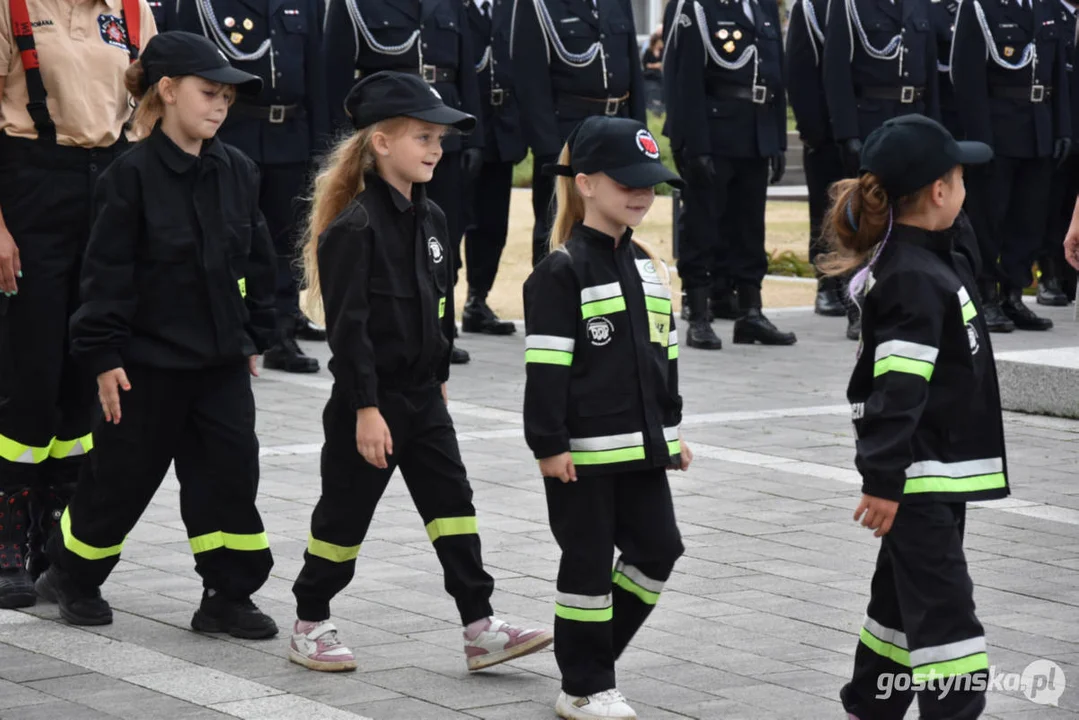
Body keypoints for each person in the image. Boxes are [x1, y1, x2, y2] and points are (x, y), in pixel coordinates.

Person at [288, 71, 553, 673]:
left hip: (422, 399)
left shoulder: (432, 218)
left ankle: (481, 627)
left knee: (453, 507)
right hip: (372, 404)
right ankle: (309, 620)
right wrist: (365, 408)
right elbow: (348, 332)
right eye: (424, 137)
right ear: (381, 142)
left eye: (440, 139)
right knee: (343, 520)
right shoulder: (353, 227)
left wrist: (438, 378)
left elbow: (438, 303)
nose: (436, 149)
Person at [36, 32, 278, 638]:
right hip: (143, 366)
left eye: (227, 97)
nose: (220, 106)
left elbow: (256, 262)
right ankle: (73, 575)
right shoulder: (129, 177)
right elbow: (105, 275)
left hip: (219, 363)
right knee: (120, 479)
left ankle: (226, 594)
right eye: (208, 93)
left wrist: (254, 336)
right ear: (167, 92)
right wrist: (102, 355)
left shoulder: (239, 170)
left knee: (229, 476)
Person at [820, 114, 1007, 720]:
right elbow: (895, 391)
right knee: (948, 618)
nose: (965, 188)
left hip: (933, 475)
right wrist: (882, 479)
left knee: (898, 608)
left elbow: (963, 238)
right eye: (959, 178)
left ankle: (868, 707)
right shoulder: (911, 279)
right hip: (917, 479)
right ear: (938, 192)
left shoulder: (931, 258)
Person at [522, 116, 689, 720]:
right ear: (586, 184)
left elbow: (662, 358)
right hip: (580, 457)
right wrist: (548, 444)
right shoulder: (561, 270)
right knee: (587, 567)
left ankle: (590, 662)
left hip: (643, 449)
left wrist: (672, 435)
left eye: (651, 182)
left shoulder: (650, 267)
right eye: (628, 182)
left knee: (659, 549)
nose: (643, 193)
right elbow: (546, 372)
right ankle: (585, 686)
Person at [0, 0, 157, 608]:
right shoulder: (15, 7)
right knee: (27, 370)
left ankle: (59, 538)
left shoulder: (133, 9)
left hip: (111, 180)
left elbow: (150, 107)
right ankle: (9, 535)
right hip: (31, 183)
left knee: (86, 367)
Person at [166, 0, 329, 372]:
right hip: (232, 134)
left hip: (290, 136)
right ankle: (227, 326)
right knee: (230, 237)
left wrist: (321, 143)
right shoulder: (202, 5)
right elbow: (185, 68)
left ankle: (281, 334)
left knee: (286, 240)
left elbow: (317, 73)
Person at [324, 0, 484, 365]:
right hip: (390, 129)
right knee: (384, 229)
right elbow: (334, 74)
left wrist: (475, 138)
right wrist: (342, 140)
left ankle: (440, 325)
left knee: (444, 232)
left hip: (444, 125)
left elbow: (467, 71)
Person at [664, 0, 796, 348]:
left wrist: (777, 141)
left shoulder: (764, 8)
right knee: (702, 227)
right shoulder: (698, 8)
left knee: (751, 229)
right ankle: (699, 313)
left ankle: (751, 312)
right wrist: (693, 144)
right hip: (715, 132)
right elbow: (685, 78)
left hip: (755, 134)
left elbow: (775, 77)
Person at [952, 0, 1070, 332]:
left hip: (1039, 130)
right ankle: (986, 296)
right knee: (990, 220)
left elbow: (1058, 72)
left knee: (1029, 222)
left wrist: (1062, 129)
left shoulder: (1046, 8)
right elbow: (966, 75)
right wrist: (980, 139)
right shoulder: (980, 8)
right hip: (999, 132)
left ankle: (1014, 295)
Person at [511, 0, 646, 267]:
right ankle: (553, 301)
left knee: (615, 223)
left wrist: (638, 133)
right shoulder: (537, 5)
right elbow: (530, 80)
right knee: (557, 225)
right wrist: (548, 149)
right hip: (568, 133)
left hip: (617, 127)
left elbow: (633, 71)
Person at [460, 0, 521, 336]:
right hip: (466, 128)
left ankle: (477, 300)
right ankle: (438, 307)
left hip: (502, 128)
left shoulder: (510, 8)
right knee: (455, 220)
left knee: (494, 223)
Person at [786, 0, 847, 318]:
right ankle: (827, 283)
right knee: (827, 212)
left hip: (868, 125)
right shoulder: (812, 7)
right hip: (827, 133)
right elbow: (800, 71)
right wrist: (816, 133)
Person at [1037, 0, 1079, 307]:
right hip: (1057, 127)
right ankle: (1050, 275)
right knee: (1051, 207)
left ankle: (1070, 278)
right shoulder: (1048, 13)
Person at [642, 29, 664, 115]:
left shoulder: (662, 52)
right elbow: (645, 64)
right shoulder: (648, 52)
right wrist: (656, 65)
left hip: (660, 74)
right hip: (650, 74)